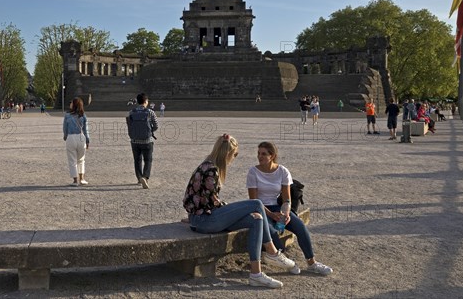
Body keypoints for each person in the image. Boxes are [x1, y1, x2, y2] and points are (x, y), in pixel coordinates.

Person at [183, 134, 285, 288]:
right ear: (228, 154)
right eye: (235, 154)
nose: (234, 158)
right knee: (256, 203)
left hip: (202, 218)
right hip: (205, 221)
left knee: (257, 218)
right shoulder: (212, 170)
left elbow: (194, 198)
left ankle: (256, 274)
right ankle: (272, 252)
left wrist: (192, 215)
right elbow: (214, 203)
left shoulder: (206, 165)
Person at [246, 141, 333, 276]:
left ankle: (312, 263)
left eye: (263, 154)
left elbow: (287, 199)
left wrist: (285, 213)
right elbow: (254, 200)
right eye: (258, 153)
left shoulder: (282, 171)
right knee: (272, 232)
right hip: (260, 209)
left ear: (272, 155)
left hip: (278, 207)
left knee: (300, 227)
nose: (259, 156)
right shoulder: (253, 172)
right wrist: (271, 215)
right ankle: (287, 263)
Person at [127, 93, 158, 189]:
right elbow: (156, 125)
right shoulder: (150, 112)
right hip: (147, 140)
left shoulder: (131, 112)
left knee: (137, 160)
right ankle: (145, 177)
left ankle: (139, 178)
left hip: (134, 140)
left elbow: (129, 125)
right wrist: (151, 131)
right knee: (148, 160)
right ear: (145, 101)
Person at [63, 97, 90, 186]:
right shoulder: (83, 115)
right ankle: (82, 179)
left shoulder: (67, 115)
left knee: (72, 160)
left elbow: (65, 128)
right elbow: (86, 130)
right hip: (81, 137)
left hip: (71, 137)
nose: (70, 104)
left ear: (74, 105)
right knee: (81, 160)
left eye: (71, 103)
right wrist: (87, 140)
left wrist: (65, 136)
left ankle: (75, 180)